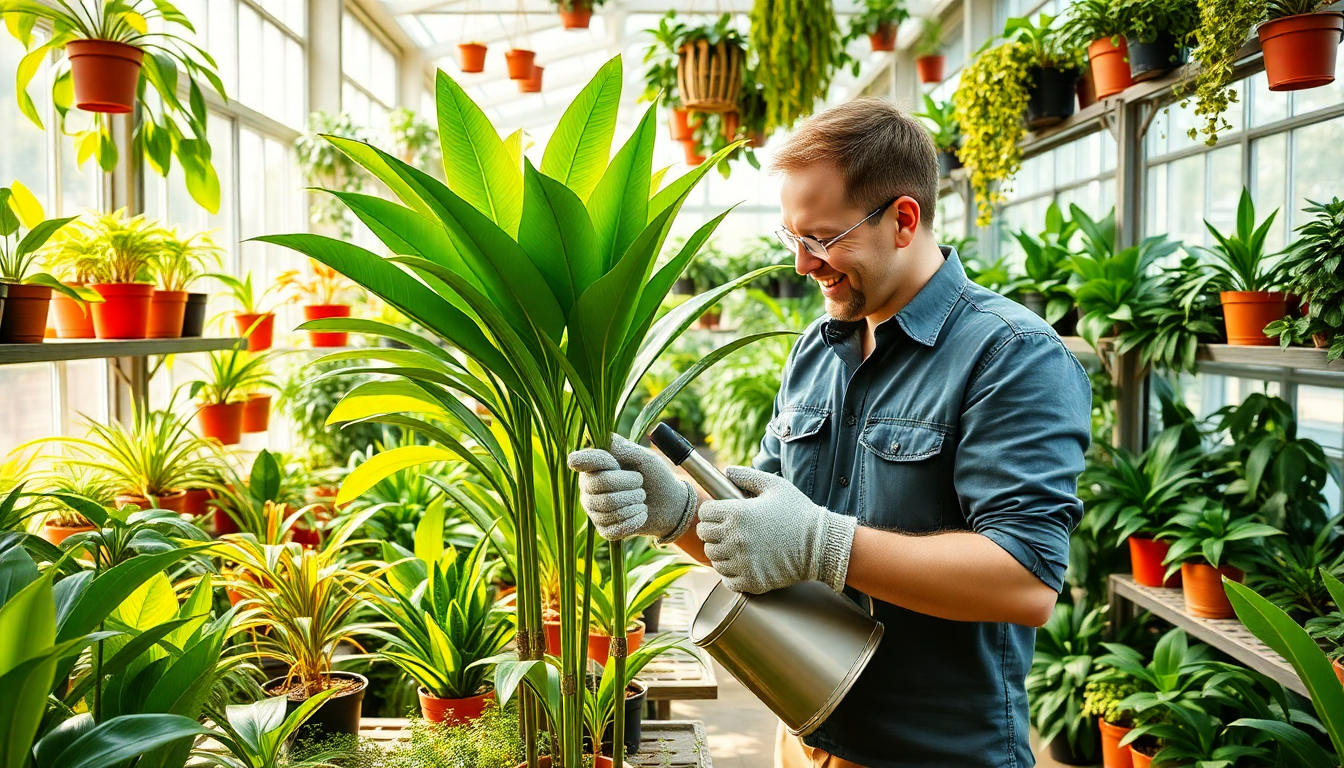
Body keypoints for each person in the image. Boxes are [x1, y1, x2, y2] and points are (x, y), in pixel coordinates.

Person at [568, 98, 1092, 768]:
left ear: (903, 220)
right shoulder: (817, 350)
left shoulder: (1012, 355)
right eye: (793, 238)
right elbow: (763, 530)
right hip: (804, 738)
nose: (803, 265)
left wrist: (826, 543)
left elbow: (1025, 583)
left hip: (936, 752)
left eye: (822, 239)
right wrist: (675, 511)